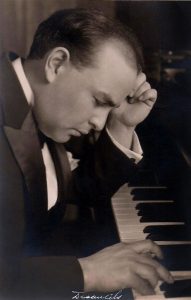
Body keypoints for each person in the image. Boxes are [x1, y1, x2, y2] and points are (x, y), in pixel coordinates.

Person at [0, 8, 173, 299]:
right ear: (56, 64)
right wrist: (88, 272)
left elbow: (66, 190)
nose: (98, 122)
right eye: (98, 101)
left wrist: (122, 124)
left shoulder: (39, 109)